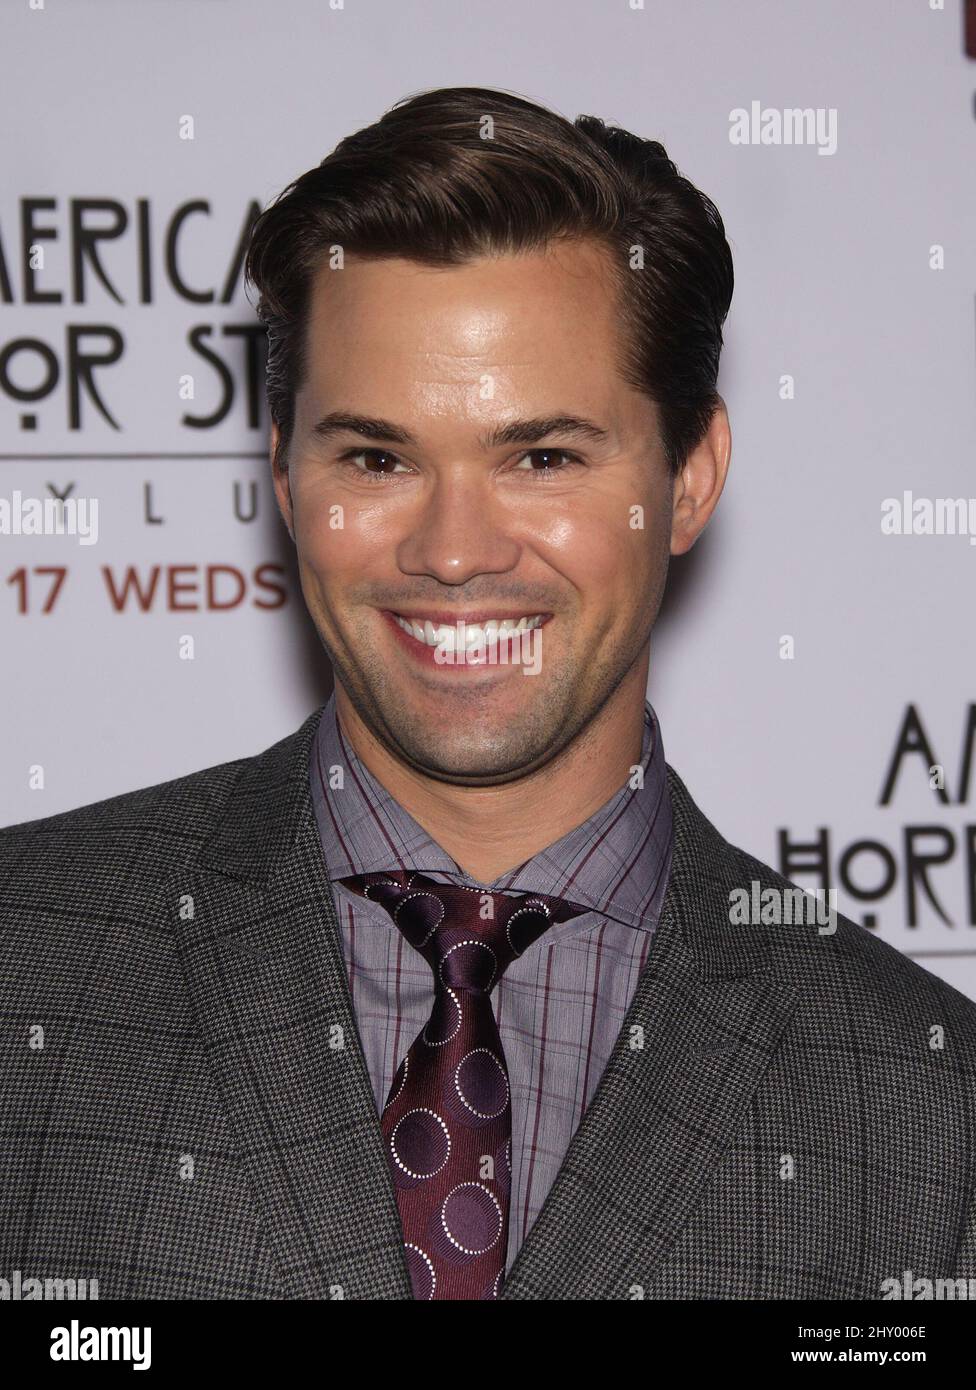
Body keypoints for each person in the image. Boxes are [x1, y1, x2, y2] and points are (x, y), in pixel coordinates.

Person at [2, 87, 974, 1302]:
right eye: (376, 456)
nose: (453, 550)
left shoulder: (927, 1115)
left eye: (543, 457)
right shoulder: (24, 968)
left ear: (688, 478)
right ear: (286, 481)